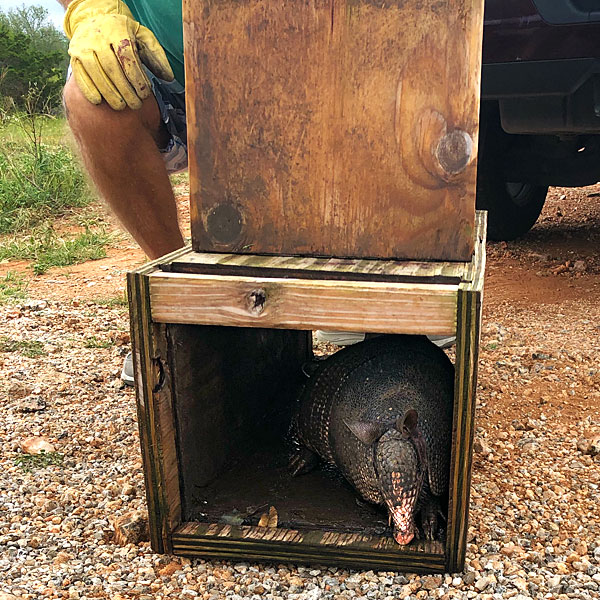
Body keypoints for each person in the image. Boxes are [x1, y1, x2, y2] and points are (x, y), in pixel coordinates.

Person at [59, 0, 189, 384]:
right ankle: (179, 299)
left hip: (293, 56)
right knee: (92, 95)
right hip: (162, 70)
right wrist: (90, 8)